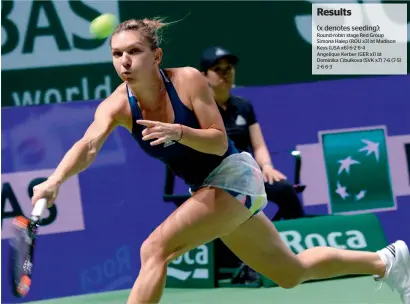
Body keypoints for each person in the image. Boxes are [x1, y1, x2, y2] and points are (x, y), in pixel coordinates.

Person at [31, 17, 409, 304]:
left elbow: (216, 142)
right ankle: (385, 260)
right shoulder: (117, 105)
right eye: (117, 54)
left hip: (233, 176)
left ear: (156, 56)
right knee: (290, 273)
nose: (125, 61)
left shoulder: (188, 80)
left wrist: (179, 132)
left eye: (134, 51)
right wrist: (55, 180)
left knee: (154, 250)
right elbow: (88, 145)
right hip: (211, 191)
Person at [199, 45, 305, 222]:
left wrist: (267, 166)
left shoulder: (244, 106)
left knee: (284, 189)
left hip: (249, 175)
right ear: (204, 76)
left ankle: (302, 238)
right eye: (217, 69)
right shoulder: (201, 109)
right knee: (239, 209)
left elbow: (259, 145)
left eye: (229, 68)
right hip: (218, 180)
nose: (225, 73)